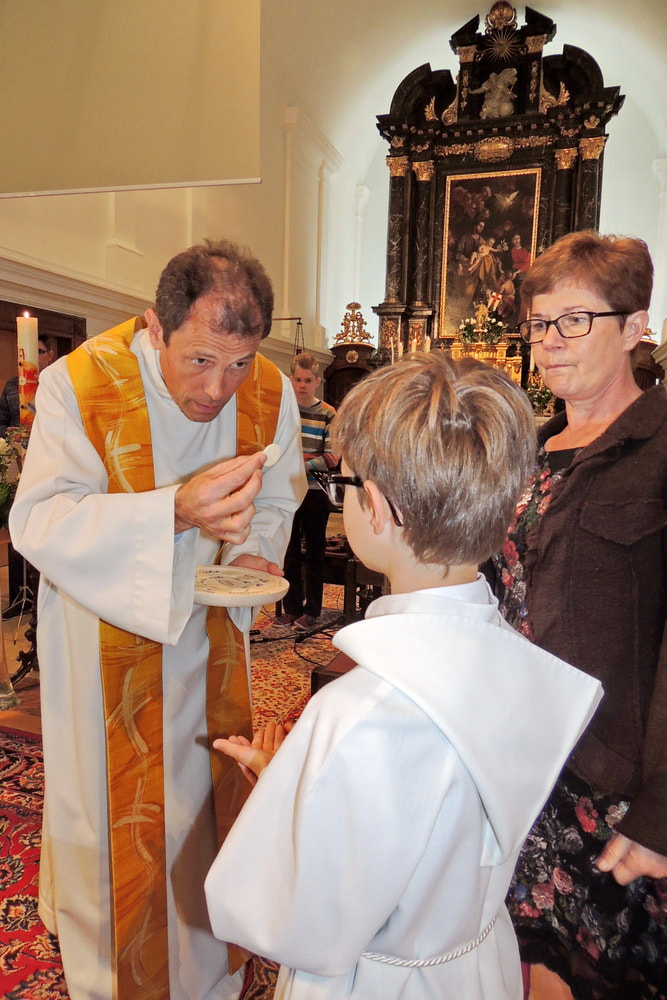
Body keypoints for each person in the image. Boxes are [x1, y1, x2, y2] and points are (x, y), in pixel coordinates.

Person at [204, 352, 602, 1000]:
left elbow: (295, 919)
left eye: (349, 483)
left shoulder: (363, 712)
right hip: (477, 963)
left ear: (378, 509)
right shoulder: (517, 659)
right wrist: (307, 782)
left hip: (381, 980)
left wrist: (290, 804)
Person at [9, 238, 306, 1000]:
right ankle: (109, 970)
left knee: (204, 801)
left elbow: (279, 494)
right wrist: (172, 511)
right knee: (107, 815)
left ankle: (208, 957)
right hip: (102, 635)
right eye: (200, 359)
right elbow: (38, 520)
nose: (219, 388)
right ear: (155, 326)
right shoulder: (82, 383)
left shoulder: (267, 389)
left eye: (238, 364)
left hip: (212, 637)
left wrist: (259, 553)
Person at [488, 231, 667, 999]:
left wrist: (660, 813)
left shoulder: (658, 448)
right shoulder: (526, 452)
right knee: (516, 961)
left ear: (633, 328)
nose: (548, 341)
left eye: (573, 320)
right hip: (513, 762)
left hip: (607, 782)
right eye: (538, 324)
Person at [277, 352, 337, 629]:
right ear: (291, 379)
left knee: (314, 552)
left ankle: (312, 610)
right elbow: (277, 449)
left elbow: (332, 457)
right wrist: (306, 459)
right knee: (288, 551)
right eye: (298, 380)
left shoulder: (328, 413)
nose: (302, 385)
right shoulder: (284, 409)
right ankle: (291, 608)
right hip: (287, 488)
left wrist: (298, 462)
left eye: (308, 380)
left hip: (315, 491)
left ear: (317, 381)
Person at [1, 335, 57, 618]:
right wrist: (9, 435)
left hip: (51, 466)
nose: (30, 358)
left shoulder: (58, 382)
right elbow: (2, 421)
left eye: (38, 351)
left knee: (46, 526)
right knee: (18, 523)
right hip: (19, 466)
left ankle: (45, 597)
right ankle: (19, 595)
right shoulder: (13, 386)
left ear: (50, 355)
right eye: (25, 352)